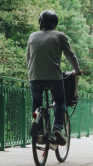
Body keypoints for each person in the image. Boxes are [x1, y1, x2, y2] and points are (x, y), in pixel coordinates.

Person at [26, 9, 83, 145]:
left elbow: (28, 58)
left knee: (37, 101)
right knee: (59, 101)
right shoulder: (59, 36)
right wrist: (77, 70)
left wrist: (32, 73)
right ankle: (58, 128)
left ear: (41, 23)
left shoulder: (32, 36)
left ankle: (38, 128)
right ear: (55, 24)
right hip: (54, 77)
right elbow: (70, 55)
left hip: (34, 76)